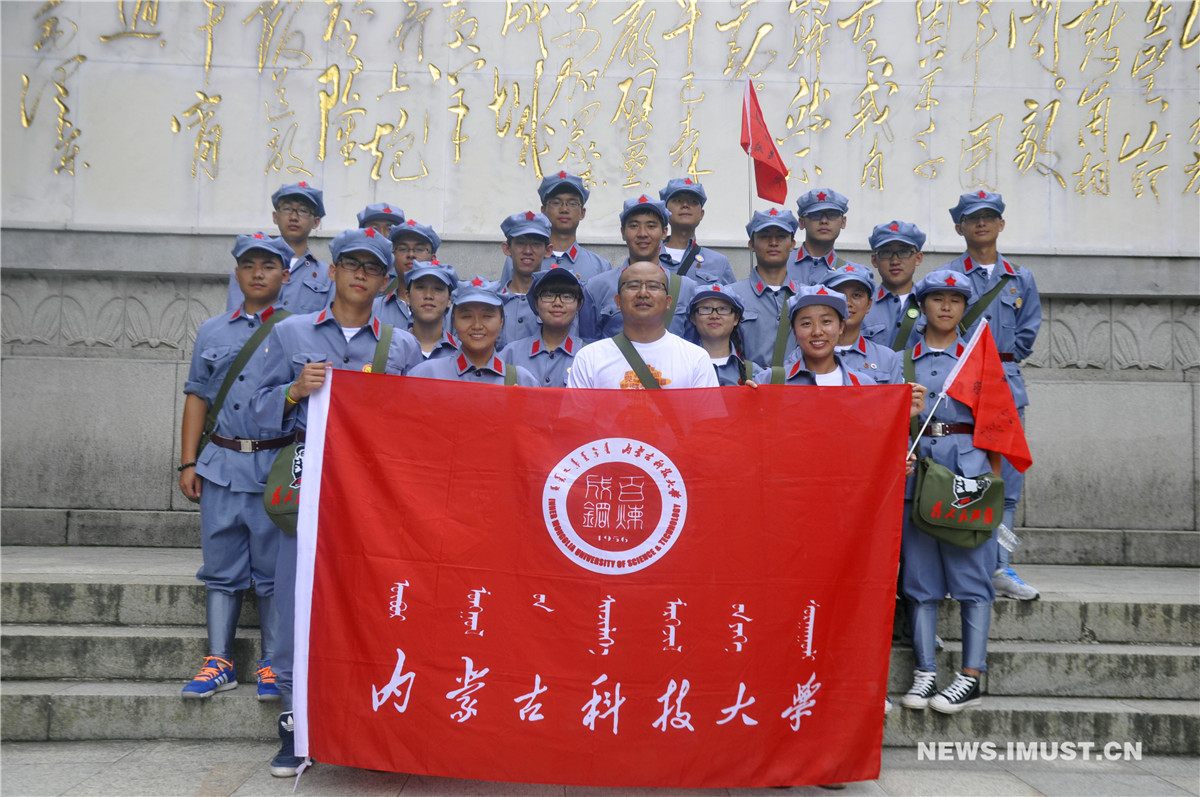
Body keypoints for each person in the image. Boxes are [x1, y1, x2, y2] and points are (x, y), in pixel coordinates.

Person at [250, 227, 422, 778]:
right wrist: (294, 391)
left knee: (371, 600)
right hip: (309, 486)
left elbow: (416, 423)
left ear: (385, 282)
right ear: (332, 271)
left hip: (374, 495)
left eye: (371, 268)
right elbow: (250, 412)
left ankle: (369, 721)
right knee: (296, 597)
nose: (360, 275)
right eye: (351, 264)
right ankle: (294, 723)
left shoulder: (401, 346)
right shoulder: (291, 331)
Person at [179, 233, 295, 704]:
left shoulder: (298, 331)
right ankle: (219, 661)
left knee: (272, 572)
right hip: (222, 464)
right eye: (249, 265)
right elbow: (197, 397)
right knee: (221, 568)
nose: (258, 273)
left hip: (273, 465)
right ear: (237, 273)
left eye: (268, 265)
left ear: (285, 274)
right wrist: (189, 461)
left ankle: (273, 663)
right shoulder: (212, 331)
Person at [898, 269, 1002, 715]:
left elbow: (998, 425)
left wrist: (995, 486)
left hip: (967, 475)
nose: (946, 306)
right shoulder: (902, 359)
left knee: (971, 579)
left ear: (964, 307)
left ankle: (971, 676)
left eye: (955, 300)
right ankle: (925, 672)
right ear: (922, 306)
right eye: (937, 299)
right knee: (920, 581)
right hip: (917, 475)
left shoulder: (978, 356)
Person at [946, 190, 1042, 601]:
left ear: (1001, 224)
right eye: (973, 218)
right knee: (959, 477)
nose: (981, 224)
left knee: (1007, 483)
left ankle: (1001, 565)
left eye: (988, 217)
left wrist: (999, 364)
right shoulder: (948, 277)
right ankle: (960, 566)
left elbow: (1027, 332)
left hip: (1005, 387)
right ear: (960, 227)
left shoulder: (1020, 278)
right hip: (961, 389)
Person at [568, 260, 717, 390]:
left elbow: (707, 414)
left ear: (668, 302)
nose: (643, 293)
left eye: (653, 286)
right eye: (633, 286)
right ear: (618, 301)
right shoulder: (589, 358)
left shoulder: (696, 359)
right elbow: (577, 414)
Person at [581, 196, 698, 340]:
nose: (642, 234)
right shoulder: (597, 287)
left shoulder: (686, 289)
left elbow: (693, 344)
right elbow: (588, 343)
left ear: (664, 232)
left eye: (651, 226)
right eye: (634, 226)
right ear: (623, 232)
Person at [409, 280, 539, 385]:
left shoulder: (522, 381)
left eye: (487, 316)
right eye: (467, 316)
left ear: (501, 321)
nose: (477, 326)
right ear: (454, 321)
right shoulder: (426, 375)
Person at [227, 182, 331, 313]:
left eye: (303, 211)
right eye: (287, 209)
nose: (293, 217)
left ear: (316, 222)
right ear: (275, 217)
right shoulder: (248, 271)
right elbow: (236, 318)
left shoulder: (327, 276)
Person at [498, 171, 611, 285]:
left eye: (572, 204)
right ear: (543, 211)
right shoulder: (518, 260)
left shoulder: (600, 267)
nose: (564, 209)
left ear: (582, 213)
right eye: (556, 203)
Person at [754, 286, 875, 387]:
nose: (817, 332)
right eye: (806, 323)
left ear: (841, 326)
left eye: (826, 321)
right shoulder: (769, 381)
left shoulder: (864, 385)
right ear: (794, 331)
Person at [731, 208, 801, 370]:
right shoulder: (732, 295)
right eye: (764, 236)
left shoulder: (806, 296)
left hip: (796, 383)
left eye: (781, 236)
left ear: (792, 244)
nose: (773, 242)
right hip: (747, 383)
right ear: (751, 244)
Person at [500, 268, 587, 387]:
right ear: (536, 303)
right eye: (548, 295)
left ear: (579, 305)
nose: (557, 303)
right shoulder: (511, 353)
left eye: (567, 296)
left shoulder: (588, 355)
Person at [821, 264, 903, 384]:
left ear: (869, 305)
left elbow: (895, 397)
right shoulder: (807, 354)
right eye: (840, 295)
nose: (848, 303)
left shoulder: (886, 358)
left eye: (856, 295)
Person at [862, 220, 926, 351]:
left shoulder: (931, 304)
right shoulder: (861, 305)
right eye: (886, 253)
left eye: (904, 252)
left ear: (918, 258)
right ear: (874, 260)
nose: (895, 261)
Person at [657, 178, 736, 284]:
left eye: (693, 201)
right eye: (678, 200)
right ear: (665, 211)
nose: (685, 205)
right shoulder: (648, 256)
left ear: (701, 214)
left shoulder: (719, 262)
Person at [497, 211, 554, 349]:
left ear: (548, 250)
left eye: (536, 244)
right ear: (507, 248)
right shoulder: (493, 300)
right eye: (520, 243)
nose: (528, 251)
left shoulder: (556, 302)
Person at [375, 219, 442, 330]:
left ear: (433, 258)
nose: (411, 254)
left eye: (419, 249)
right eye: (403, 249)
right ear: (392, 256)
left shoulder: (448, 310)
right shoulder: (374, 309)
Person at [687, 285, 756, 386]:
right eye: (706, 308)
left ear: (736, 319)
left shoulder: (754, 373)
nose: (714, 316)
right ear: (693, 318)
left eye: (723, 309)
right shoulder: (680, 367)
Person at [791, 188, 853, 286]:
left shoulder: (851, 274)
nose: (824, 221)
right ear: (802, 222)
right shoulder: (779, 265)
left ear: (843, 222)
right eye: (815, 215)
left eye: (832, 215)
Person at [404, 260, 460, 360]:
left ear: (449, 300)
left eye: (438, 288)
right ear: (407, 297)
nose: (428, 295)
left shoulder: (462, 352)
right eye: (420, 287)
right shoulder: (392, 347)